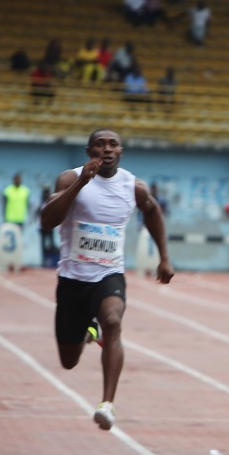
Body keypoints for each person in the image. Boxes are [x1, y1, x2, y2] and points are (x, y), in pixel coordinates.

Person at [40, 128, 174, 430]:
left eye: (113, 145)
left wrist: (164, 256)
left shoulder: (133, 186)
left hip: (108, 273)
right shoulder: (68, 179)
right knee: (69, 360)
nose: (107, 149)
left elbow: (152, 212)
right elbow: (48, 220)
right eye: (100, 145)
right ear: (90, 152)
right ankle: (89, 330)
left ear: (121, 152)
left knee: (113, 320)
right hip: (73, 279)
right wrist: (81, 183)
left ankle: (107, 404)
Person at [37, 187, 57, 267]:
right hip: (42, 227)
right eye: (45, 193)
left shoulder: (52, 202)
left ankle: (52, 260)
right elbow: (38, 214)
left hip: (50, 226)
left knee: (51, 244)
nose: (46, 194)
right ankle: (44, 260)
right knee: (43, 245)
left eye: (47, 193)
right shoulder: (41, 204)